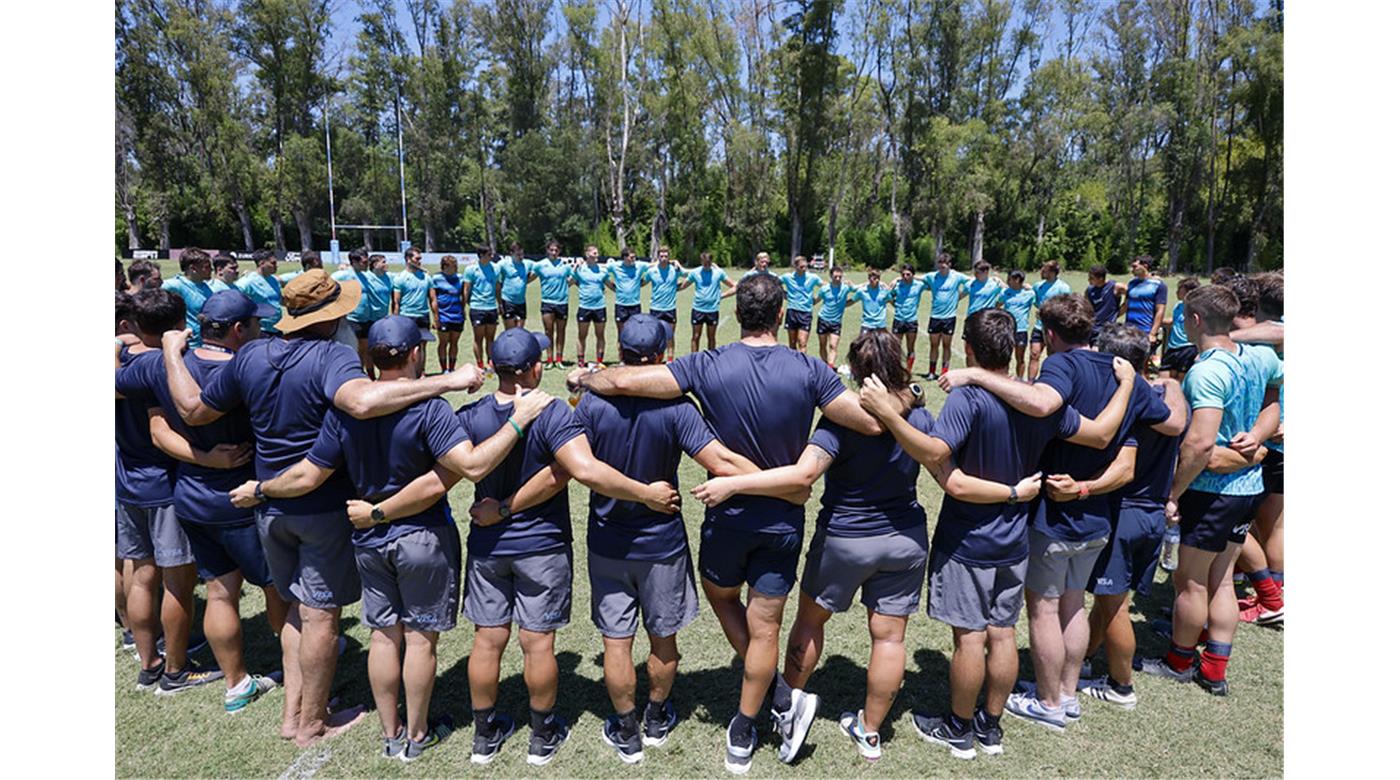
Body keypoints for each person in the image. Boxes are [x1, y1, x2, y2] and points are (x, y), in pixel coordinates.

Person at [566, 274, 884, 774]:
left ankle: (780, 701)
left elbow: (627, 381)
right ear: (782, 315)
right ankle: (746, 728)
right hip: (782, 518)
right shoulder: (811, 371)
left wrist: (586, 378)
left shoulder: (705, 365)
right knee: (765, 631)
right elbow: (868, 421)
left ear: (738, 315)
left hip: (727, 515)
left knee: (721, 597)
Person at [159, 269, 486, 747]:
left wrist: (171, 352)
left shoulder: (251, 353)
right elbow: (360, 402)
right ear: (334, 318)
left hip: (270, 506)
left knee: (293, 609)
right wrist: (447, 381)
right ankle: (311, 722)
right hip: (319, 507)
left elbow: (191, 409)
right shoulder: (332, 356)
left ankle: (294, 713)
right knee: (319, 615)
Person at [229, 316, 554, 761]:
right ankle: (418, 734)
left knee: (384, 637)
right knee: (419, 639)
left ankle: (391, 731)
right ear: (417, 354)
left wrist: (262, 489)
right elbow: (473, 467)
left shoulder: (344, 414)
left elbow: (308, 474)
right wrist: (518, 421)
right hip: (423, 536)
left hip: (368, 538)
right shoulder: (430, 409)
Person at [862, 309, 1136, 756]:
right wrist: (1127, 384)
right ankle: (991, 725)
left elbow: (934, 450)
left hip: (968, 537)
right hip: (1015, 539)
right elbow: (1100, 435)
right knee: (1004, 633)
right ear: (1012, 349)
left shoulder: (967, 400)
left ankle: (959, 727)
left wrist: (889, 416)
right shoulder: (1042, 401)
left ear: (967, 348)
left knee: (969, 637)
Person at [937, 294, 1185, 731]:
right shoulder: (1117, 367)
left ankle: (1049, 701)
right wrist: (1141, 387)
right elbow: (1169, 423)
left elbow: (1042, 406)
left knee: (1045, 611)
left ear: (1049, 334)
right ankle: (1067, 695)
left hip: (1055, 510)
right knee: (1074, 605)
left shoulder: (1060, 367)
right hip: (1100, 512)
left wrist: (974, 373)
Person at [452, 328, 680, 767]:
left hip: (487, 548)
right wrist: (645, 493)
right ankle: (542, 734)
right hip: (541, 546)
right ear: (536, 368)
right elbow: (576, 471)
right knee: (537, 644)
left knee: (486, 640)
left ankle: (484, 736)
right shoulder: (553, 413)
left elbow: (452, 468)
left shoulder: (471, 415)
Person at [547, 315, 765, 763]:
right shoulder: (678, 408)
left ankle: (626, 728)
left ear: (619, 355)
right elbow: (719, 459)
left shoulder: (589, 405)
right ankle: (657, 715)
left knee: (616, 642)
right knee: (662, 639)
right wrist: (776, 480)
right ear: (662, 358)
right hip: (662, 543)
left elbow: (574, 466)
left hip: (607, 542)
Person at [118, 289, 288, 709]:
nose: (259, 330)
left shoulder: (163, 366)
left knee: (219, 592)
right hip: (244, 498)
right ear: (237, 330)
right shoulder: (249, 369)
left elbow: (141, 411)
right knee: (274, 587)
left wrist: (119, 344)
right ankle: (297, 661)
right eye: (254, 324)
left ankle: (235, 682)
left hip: (191, 497)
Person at [1140, 285, 1281, 696]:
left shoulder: (1206, 370)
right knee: (1221, 582)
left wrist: (1172, 491)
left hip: (1211, 490)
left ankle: (1179, 660)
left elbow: (1200, 444)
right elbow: (1276, 398)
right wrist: (1258, 434)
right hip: (1248, 487)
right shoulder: (1259, 357)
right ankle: (1215, 670)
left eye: (1184, 317)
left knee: (1192, 582)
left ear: (1195, 321)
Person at [116, 289, 221, 695]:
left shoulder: (122, 363)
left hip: (128, 482)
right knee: (177, 582)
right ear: (181, 323)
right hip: (164, 483)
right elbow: (167, 429)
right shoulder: (165, 367)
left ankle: (149, 664)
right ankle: (176, 670)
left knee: (141, 575)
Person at [1079, 324, 1188, 710]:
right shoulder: (1168, 397)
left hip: (1126, 511)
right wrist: (1171, 381)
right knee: (1111, 599)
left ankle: (1120, 686)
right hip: (1152, 514)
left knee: (1113, 607)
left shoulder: (1130, 398)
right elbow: (1177, 423)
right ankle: (1083, 663)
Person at [1234, 272, 1284, 625]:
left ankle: (1272, 600)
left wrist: (1224, 335)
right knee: (1268, 525)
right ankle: (1263, 594)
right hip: (1275, 438)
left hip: (1275, 443)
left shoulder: (1278, 334)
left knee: (1270, 526)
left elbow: (1279, 331)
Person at [334, 250, 393, 376]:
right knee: (354, 350)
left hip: (366, 319)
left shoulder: (366, 276)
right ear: (354, 262)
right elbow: (329, 284)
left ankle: (370, 375)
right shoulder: (343, 276)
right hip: (352, 319)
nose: (367, 264)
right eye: (364, 262)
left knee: (367, 350)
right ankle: (355, 374)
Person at [923, 253, 969, 379]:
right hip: (935, 317)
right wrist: (899, 279)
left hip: (949, 317)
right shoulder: (932, 276)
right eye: (940, 265)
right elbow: (917, 278)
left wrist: (961, 295)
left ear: (949, 265)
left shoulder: (957, 276)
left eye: (944, 265)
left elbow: (971, 282)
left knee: (946, 345)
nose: (942, 267)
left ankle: (944, 372)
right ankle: (932, 372)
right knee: (934, 345)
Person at [391, 246, 433, 375]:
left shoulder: (426, 277)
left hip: (423, 316)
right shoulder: (400, 278)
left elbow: (432, 298)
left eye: (420, 258)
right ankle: (408, 372)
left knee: (422, 346)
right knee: (407, 347)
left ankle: (421, 372)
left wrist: (435, 317)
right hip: (407, 317)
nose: (420, 261)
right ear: (408, 259)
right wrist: (395, 320)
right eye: (417, 258)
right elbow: (396, 302)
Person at [1027, 260, 1072, 380]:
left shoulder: (1063, 288)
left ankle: (1051, 380)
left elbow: (1067, 307)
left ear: (1052, 272)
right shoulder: (1038, 286)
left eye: (1045, 270)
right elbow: (1036, 302)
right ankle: (1030, 382)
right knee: (1034, 354)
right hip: (1039, 326)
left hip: (1054, 327)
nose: (1042, 271)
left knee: (1053, 356)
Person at [163, 248, 216, 346]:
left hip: (205, 343)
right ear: (193, 269)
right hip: (188, 345)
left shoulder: (206, 287)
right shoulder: (175, 285)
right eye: (207, 267)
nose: (211, 269)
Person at [684, 251, 735, 353]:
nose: (706, 265)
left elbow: (734, 285)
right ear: (701, 261)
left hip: (712, 310)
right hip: (698, 309)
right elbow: (683, 285)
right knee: (696, 336)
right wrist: (670, 288)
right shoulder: (695, 272)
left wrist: (722, 296)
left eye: (708, 263)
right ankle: (694, 359)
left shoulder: (718, 273)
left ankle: (711, 359)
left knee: (711, 337)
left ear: (711, 261)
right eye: (704, 263)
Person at [462, 246, 503, 372]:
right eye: (489, 254)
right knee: (478, 338)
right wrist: (464, 306)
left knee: (490, 338)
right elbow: (466, 289)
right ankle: (480, 364)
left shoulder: (495, 268)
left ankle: (490, 364)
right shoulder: (471, 269)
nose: (492, 256)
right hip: (477, 307)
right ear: (481, 255)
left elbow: (497, 288)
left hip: (491, 308)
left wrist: (500, 304)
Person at [645, 245, 687, 362]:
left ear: (669, 257)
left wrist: (678, 265)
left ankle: (670, 359)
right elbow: (642, 281)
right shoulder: (652, 271)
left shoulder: (675, 269)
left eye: (666, 256)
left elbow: (689, 275)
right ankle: (656, 358)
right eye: (661, 255)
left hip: (670, 308)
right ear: (658, 256)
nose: (664, 257)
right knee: (655, 336)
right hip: (655, 308)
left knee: (670, 336)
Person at [535, 240, 573, 367]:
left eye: (556, 250)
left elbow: (573, 279)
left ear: (559, 251)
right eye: (551, 250)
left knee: (561, 331)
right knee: (548, 331)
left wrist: (567, 284)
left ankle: (559, 359)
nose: (554, 252)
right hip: (547, 302)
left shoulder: (565, 265)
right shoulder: (540, 265)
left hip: (562, 302)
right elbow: (529, 277)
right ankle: (549, 359)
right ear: (547, 250)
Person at [572, 245, 612, 366]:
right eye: (594, 253)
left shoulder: (602, 271)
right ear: (587, 254)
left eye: (597, 253)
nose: (597, 256)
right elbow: (569, 282)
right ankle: (581, 361)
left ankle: (599, 362)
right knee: (582, 335)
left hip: (600, 307)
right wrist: (574, 270)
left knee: (600, 335)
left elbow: (611, 285)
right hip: (584, 307)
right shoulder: (580, 269)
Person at [607, 247, 651, 356]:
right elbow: (601, 268)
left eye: (635, 257)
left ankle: (635, 357)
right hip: (621, 305)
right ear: (624, 258)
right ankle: (622, 358)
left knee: (636, 333)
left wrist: (673, 262)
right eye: (631, 257)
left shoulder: (640, 266)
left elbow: (655, 265)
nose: (634, 259)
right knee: (622, 334)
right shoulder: (615, 266)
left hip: (635, 305)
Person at [1118, 256, 1168, 350]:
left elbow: (1160, 311)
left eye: (1135, 266)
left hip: (1145, 331)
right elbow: (1126, 305)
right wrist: (1113, 316)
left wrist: (1153, 333)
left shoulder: (1158, 285)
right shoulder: (1132, 283)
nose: (1132, 269)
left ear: (1145, 266)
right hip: (1128, 330)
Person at [813, 265, 856, 368]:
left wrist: (880, 283)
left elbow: (858, 289)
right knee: (822, 345)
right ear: (830, 276)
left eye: (840, 277)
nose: (838, 279)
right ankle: (824, 366)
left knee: (833, 345)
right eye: (835, 277)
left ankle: (830, 367)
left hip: (836, 322)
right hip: (823, 319)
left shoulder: (846, 288)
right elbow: (816, 300)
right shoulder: (824, 289)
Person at [779, 255, 824, 354]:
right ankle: (793, 365)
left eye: (805, 266)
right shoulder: (787, 277)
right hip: (792, 311)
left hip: (806, 313)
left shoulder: (813, 277)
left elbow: (826, 287)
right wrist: (783, 294)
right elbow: (775, 283)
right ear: (795, 266)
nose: (804, 269)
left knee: (802, 342)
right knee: (792, 343)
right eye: (801, 267)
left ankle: (803, 365)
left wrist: (817, 299)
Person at [996, 270, 1036, 379]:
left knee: (1020, 357)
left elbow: (1039, 304)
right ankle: (1003, 379)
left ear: (1017, 280)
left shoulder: (1030, 294)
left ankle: (1019, 380)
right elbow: (997, 306)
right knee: (1005, 357)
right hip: (1007, 329)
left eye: (1010, 279)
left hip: (1021, 330)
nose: (1007, 281)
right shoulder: (1005, 292)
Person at [430, 255, 467, 372]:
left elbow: (463, 296)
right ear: (445, 266)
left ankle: (452, 368)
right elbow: (433, 299)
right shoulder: (436, 278)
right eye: (453, 265)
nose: (456, 268)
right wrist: (436, 317)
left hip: (457, 315)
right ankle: (443, 368)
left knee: (454, 343)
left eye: (456, 265)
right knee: (443, 343)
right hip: (443, 316)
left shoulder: (460, 278)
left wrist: (463, 311)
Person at [1160, 277, 1201, 379]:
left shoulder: (1198, 308)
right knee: (1163, 379)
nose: (1177, 291)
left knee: (1180, 383)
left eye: (1180, 289)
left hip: (1188, 348)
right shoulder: (1178, 306)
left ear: (1189, 292)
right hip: (1172, 348)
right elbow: (1175, 321)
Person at [236, 249, 284, 336]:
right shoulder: (248, 281)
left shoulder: (273, 280)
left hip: (277, 328)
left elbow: (279, 300)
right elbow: (233, 297)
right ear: (261, 263)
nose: (277, 266)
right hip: (260, 331)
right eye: (273, 263)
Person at [889, 264, 928, 372]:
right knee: (895, 347)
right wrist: (895, 305)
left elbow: (930, 282)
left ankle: (908, 370)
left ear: (913, 275)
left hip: (911, 321)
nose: (905, 276)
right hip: (898, 320)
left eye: (908, 274)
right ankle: (895, 369)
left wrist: (913, 278)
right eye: (903, 274)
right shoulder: (897, 285)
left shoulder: (919, 285)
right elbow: (888, 296)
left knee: (910, 347)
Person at [498, 242, 535, 329]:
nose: (521, 256)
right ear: (511, 253)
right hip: (507, 301)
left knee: (520, 333)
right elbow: (491, 267)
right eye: (518, 254)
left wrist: (527, 280)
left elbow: (541, 267)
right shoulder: (503, 264)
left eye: (522, 254)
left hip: (521, 302)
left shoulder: (527, 264)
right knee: (510, 333)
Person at [1084, 265, 1120, 341]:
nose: (1089, 280)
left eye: (1092, 278)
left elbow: (1130, 293)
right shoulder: (1089, 290)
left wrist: (1119, 312)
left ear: (1100, 278)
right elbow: (1086, 307)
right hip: (1092, 328)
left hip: (1107, 330)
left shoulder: (1113, 287)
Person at [857, 269, 893, 334]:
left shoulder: (885, 291)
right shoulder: (862, 291)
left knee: (883, 344)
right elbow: (852, 300)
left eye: (875, 278)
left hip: (881, 325)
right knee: (862, 344)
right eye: (871, 278)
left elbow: (892, 302)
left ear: (879, 279)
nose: (873, 280)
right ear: (868, 279)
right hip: (867, 324)